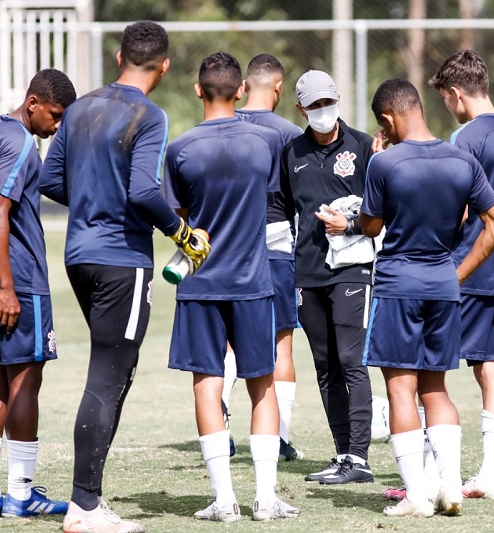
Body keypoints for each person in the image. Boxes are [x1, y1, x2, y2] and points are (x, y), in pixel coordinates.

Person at [39, 21, 210, 532]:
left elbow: (51, 179)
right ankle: (84, 506)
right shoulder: (150, 115)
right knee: (108, 378)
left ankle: (89, 500)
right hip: (121, 261)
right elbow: (142, 192)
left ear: (118, 59)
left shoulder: (82, 107)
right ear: (164, 66)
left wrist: (94, 200)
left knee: (112, 375)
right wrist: (182, 235)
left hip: (78, 257)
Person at [360, 79, 494, 517]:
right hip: (444, 287)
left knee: (400, 389)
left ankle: (417, 497)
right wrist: (456, 274)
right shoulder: (463, 159)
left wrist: (375, 161)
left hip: (398, 285)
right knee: (436, 387)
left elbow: (370, 226)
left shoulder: (384, 163)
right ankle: (451, 486)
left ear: (387, 119)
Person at [164, 52, 299, 522]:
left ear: (198, 90)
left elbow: (180, 220)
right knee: (261, 384)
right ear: (241, 90)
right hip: (252, 280)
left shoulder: (179, 149)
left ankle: (224, 501)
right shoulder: (264, 144)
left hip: (200, 284)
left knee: (208, 383)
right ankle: (265, 499)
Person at [0, 68, 76, 520]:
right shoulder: (23, 143)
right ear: (33, 103)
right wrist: (8, 288)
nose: (57, 125)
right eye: (54, 114)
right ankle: (20, 494)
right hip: (17, 282)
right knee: (26, 383)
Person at [428, 49, 494, 500]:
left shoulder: (463, 139)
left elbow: (456, 211)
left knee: (430, 371)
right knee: (491, 368)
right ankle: (491, 475)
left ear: (455, 94)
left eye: (445, 100)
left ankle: (434, 476)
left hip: (465, 272)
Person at [274, 70, 375, 484]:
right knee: (325, 365)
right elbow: (280, 208)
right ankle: (342, 453)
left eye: (327, 102)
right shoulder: (291, 151)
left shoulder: (365, 147)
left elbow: (382, 210)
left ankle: (360, 457)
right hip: (308, 272)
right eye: (314, 106)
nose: (322, 111)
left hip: (353, 268)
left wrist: (348, 226)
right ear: (301, 108)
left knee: (352, 360)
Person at [235, 53, 305, 462]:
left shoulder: (225, 125)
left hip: (230, 246)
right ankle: (277, 437)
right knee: (281, 344)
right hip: (277, 241)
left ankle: (220, 422)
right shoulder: (289, 133)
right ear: (278, 88)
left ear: (244, 86)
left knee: (227, 343)